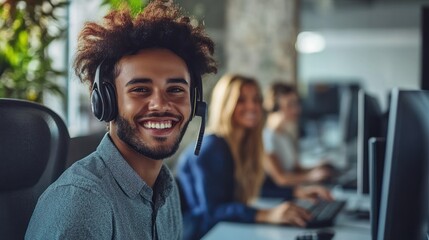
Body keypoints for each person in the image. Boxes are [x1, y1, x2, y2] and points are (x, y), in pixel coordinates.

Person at [25, 1, 216, 239]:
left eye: (176, 89)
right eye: (140, 89)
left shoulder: (167, 190)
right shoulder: (84, 203)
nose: (161, 104)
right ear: (106, 101)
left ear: (194, 102)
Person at [176, 74, 333, 240]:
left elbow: (259, 185)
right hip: (201, 233)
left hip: (226, 229)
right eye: (241, 100)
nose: (252, 106)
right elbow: (212, 210)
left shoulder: (244, 145)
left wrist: (298, 192)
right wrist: (267, 214)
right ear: (225, 105)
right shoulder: (210, 148)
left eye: (256, 100)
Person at [263, 82, 334, 188]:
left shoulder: (284, 135)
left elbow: (296, 169)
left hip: (294, 191)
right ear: (275, 107)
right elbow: (281, 178)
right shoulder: (266, 138)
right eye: (290, 104)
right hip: (278, 199)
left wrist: (317, 167)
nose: (297, 109)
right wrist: (311, 177)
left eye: (297, 103)